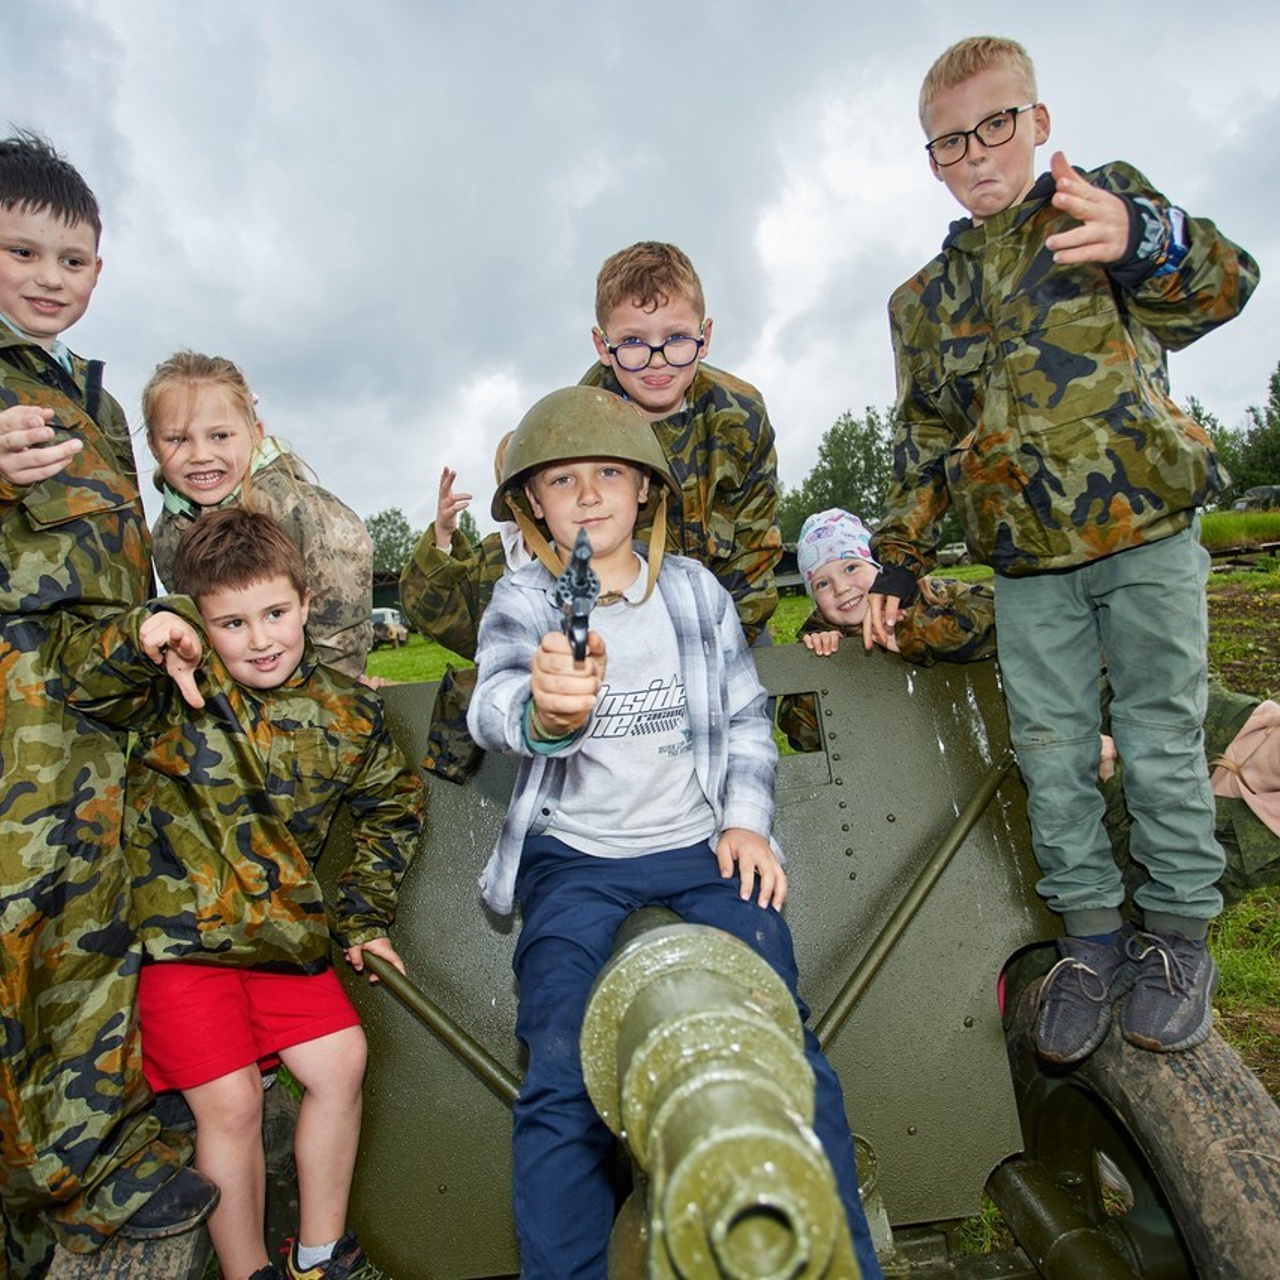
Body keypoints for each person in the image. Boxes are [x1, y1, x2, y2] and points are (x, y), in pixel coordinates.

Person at [867, 35, 1259, 1066]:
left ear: (1036, 123)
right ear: (931, 161)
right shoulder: (923, 300)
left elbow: (1223, 288)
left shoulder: (1101, 209)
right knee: (1049, 754)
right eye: (949, 140)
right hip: (1025, 561)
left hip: (1143, 534)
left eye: (995, 124)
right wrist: (898, 557)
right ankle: (1087, 940)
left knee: (1161, 736)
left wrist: (1144, 239)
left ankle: (1175, 937)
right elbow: (920, 440)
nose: (975, 151)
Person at [467, 385, 882, 1279]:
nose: (587, 496)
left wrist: (745, 823)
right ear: (532, 503)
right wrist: (543, 708)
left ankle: (841, 1260)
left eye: (609, 473)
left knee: (783, 1040)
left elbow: (741, 716)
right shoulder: (523, 598)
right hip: (573, 853)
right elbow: (490, 704)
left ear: (645, 489)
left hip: (696, 842)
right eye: (562, 480)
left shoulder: (694, 593)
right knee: (560, 1070)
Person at [56, 507, 425, 1280]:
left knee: (340, 1060)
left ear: (304, 597)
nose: (260, 640)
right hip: (180, 946)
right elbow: (83, 684)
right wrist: (146, 634)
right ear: (199, 622)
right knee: (230, 1105)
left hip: (282, 942)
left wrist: (363, 918)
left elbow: (391, 807)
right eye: (231, 622)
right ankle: (247, 1270)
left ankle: (321, 1256)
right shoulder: (171, 689)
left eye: (276, 613)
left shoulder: (349, 711)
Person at [0, 130, 217, 1275]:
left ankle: (91, 1164)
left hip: (94, 717)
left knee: (90, 938)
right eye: (21, 250)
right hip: (12, 735)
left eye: (73, 259)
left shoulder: (93, 397)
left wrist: (154, 626)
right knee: (17, 951)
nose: (49, 277)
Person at [577, 240, 782, 644]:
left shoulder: (740, 415)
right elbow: (571, 549)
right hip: (621, 632)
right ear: (604, 346)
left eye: (676, 338)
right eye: (633, 342)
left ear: (704, 337)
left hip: (732, 622)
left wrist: (726, 640)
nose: (657, 360)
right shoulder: (580, 427)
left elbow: (755, 545)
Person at [143, 351, 374, 678]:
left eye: (220, 436)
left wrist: (333, 702)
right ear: (154, 445)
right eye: (178, 440)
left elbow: (340, 629)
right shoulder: (168, 533)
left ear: (255, 433)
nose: (200, 455)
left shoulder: (300, 511)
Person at [400, 433, 529, 781]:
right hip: (504, 751)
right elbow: (429, 612)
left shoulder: (595, 546)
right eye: (514, 478)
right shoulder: (492, 559)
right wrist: (442, 537)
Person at [795, 507, 995, 666]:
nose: (841, 588)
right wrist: (820, 650)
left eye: (851, 568)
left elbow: (1005, 621)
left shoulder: (936, 595)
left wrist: (912, 632)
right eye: (822, 584)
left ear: (880, 568)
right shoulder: (820, 636)